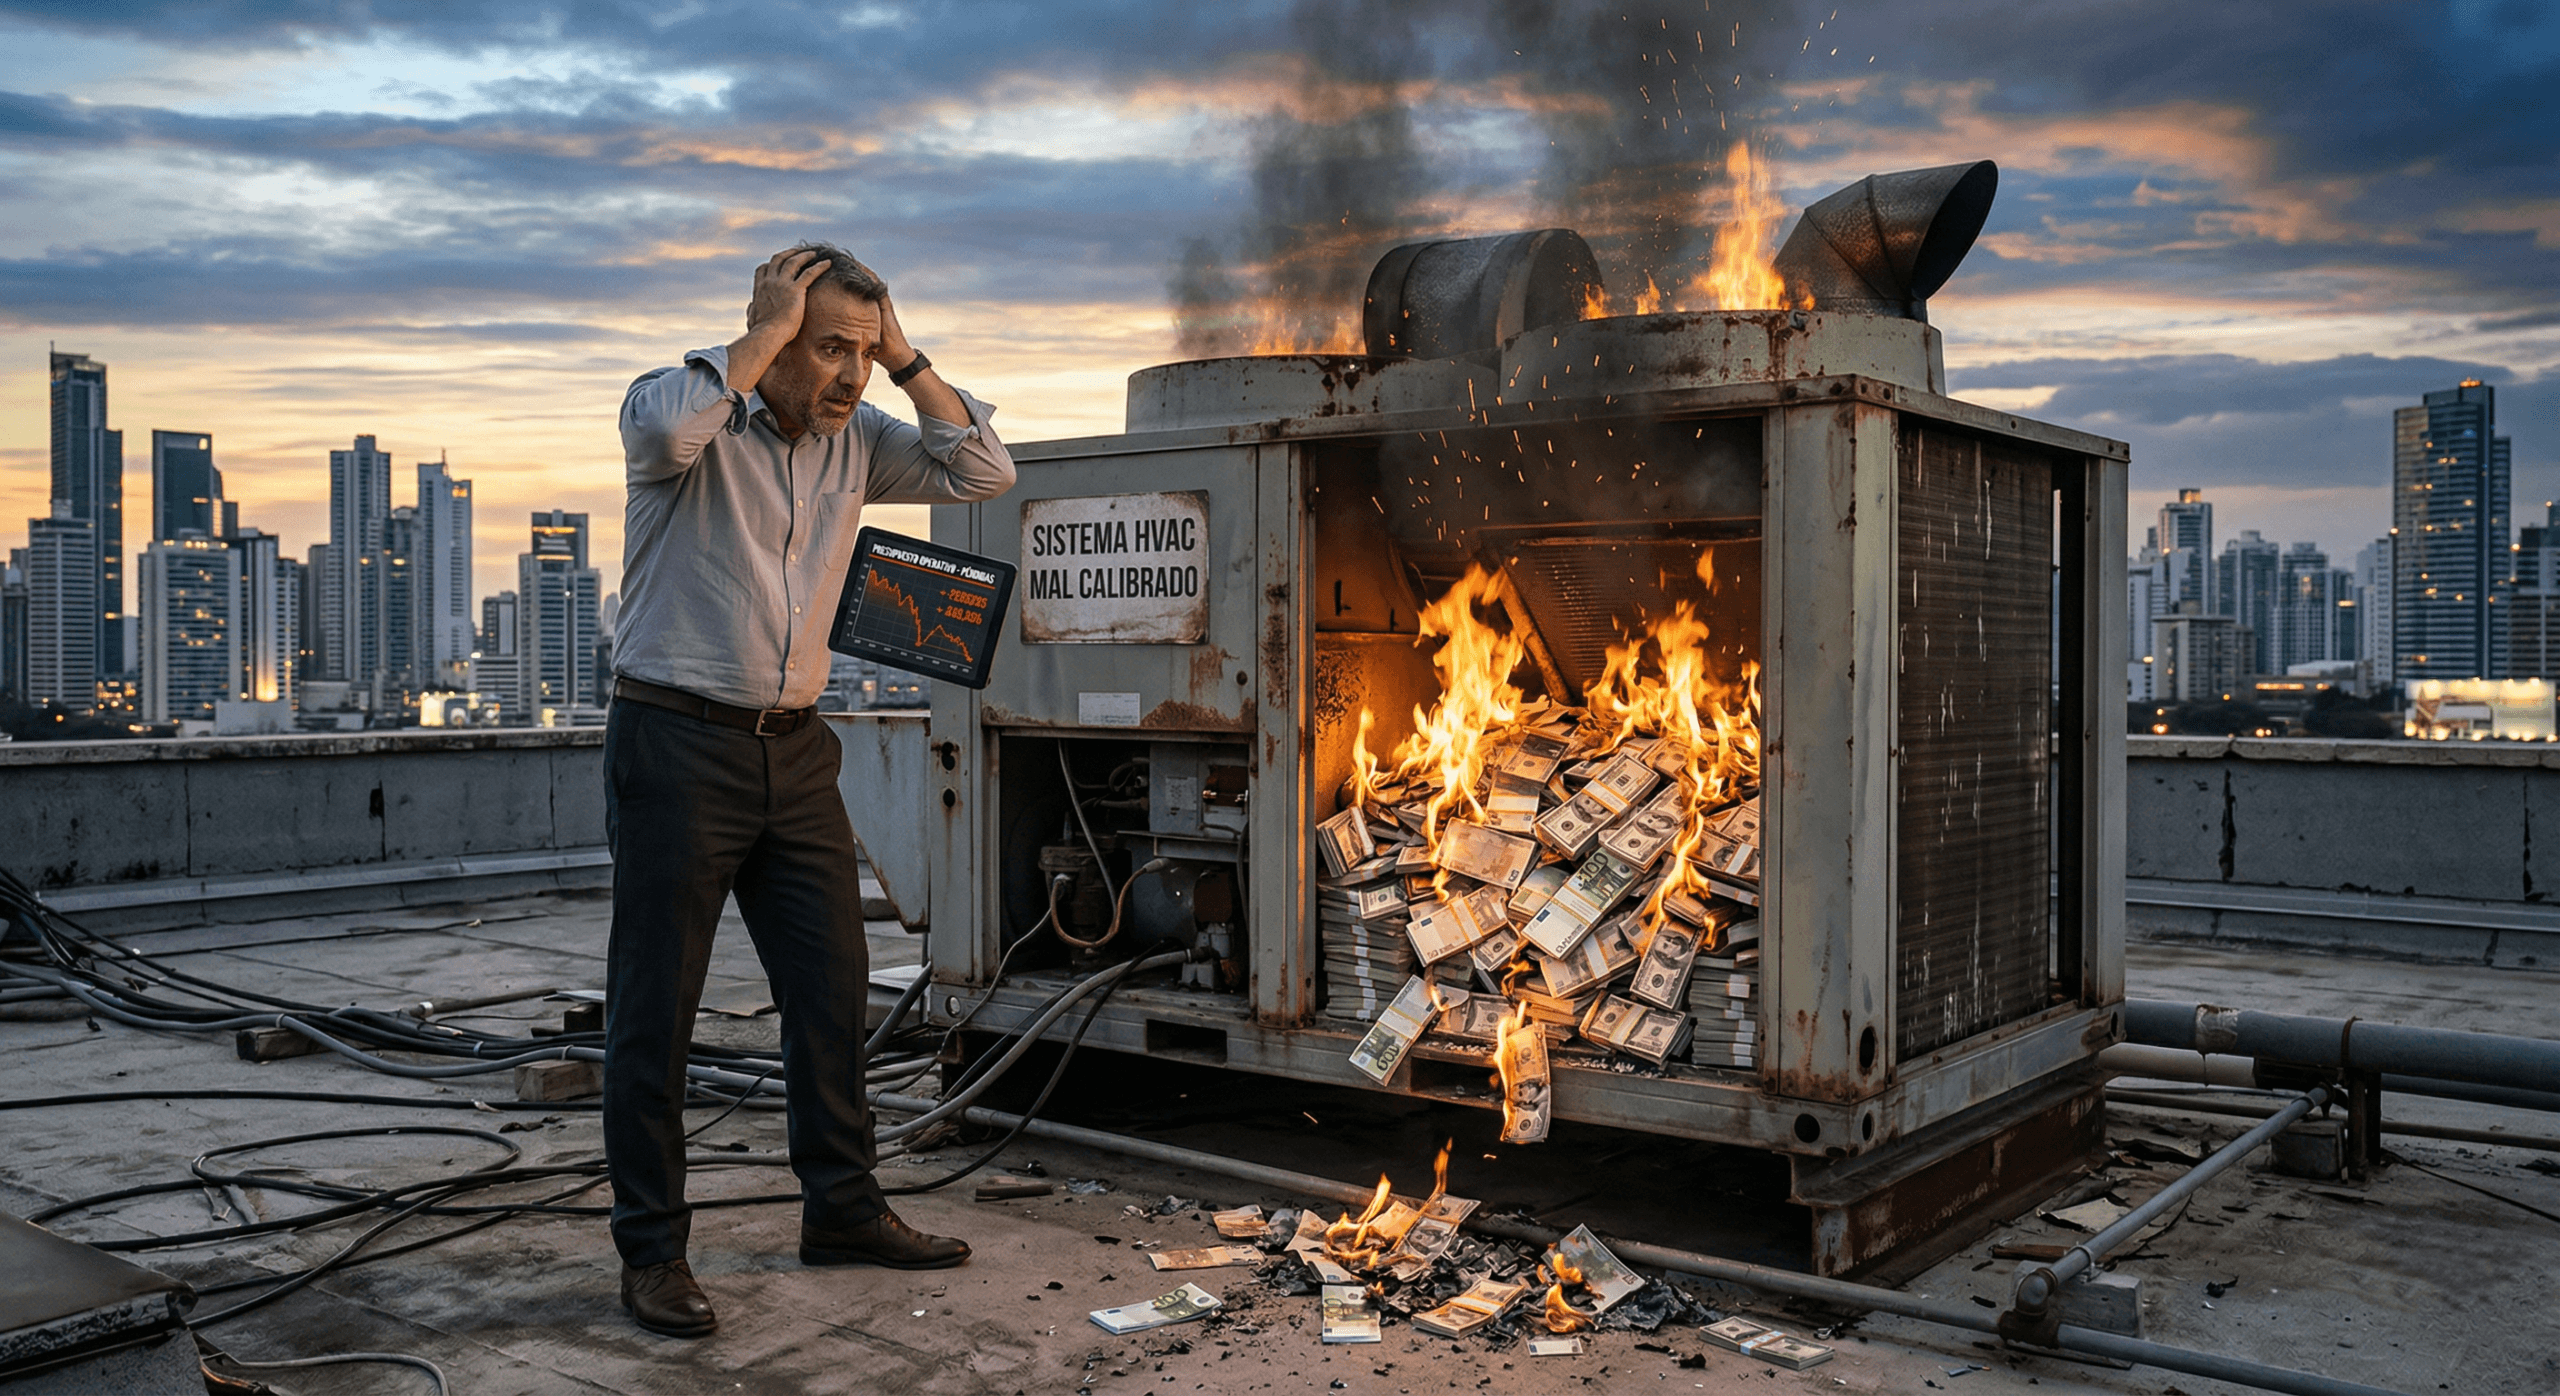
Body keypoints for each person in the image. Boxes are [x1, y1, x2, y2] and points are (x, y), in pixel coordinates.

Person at [604, 243, 1016, 1338]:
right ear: (777, 334)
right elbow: (659, 432)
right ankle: (652, 1253)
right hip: (675, 743)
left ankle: (841, 1208)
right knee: (658, 1010)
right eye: (828, 347)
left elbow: (983, 472)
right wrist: (759, 338)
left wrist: (908, 355)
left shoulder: (860, 442)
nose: (848, 377)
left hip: (795, 749)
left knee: (832, 996)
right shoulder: (687, 411)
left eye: (861, 357)